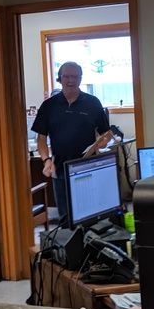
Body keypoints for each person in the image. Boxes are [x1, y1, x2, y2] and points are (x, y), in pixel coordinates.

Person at [32, 61, 112, 223]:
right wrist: (46, 160)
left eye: (75, 77)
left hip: (88, 169)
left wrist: (103, 141)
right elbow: (41, 138)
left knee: (91, 216)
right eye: (66, 76)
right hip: (60, 170)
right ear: (60, 78)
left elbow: (106, 133)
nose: (70, 80)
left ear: (80, 78)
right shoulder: (49, 105)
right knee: (65, 219)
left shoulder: (93, 103)